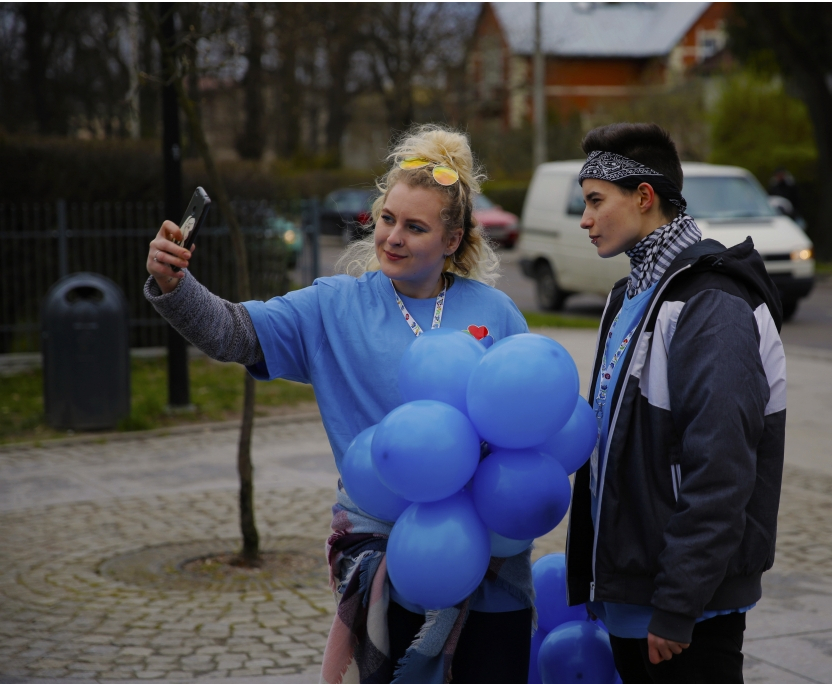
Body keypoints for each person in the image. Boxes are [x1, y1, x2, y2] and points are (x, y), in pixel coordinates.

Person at [144, 125, 534, 684]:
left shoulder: (497, 313)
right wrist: (173, 284)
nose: (393, 237)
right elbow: (233, 333)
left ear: (453, 241)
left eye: (415, 227)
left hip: (495, 572)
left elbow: (528, 426)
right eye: (387, 219)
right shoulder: (333, 306)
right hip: (392, 566)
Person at [564, 123, 787, 684]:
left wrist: (678, 602)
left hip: (686, 609)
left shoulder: (711, 301)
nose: (584, 219)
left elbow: (723, 468)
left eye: (595, 201)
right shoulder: (631, 292)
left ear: (644, 197)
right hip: (636, 597)